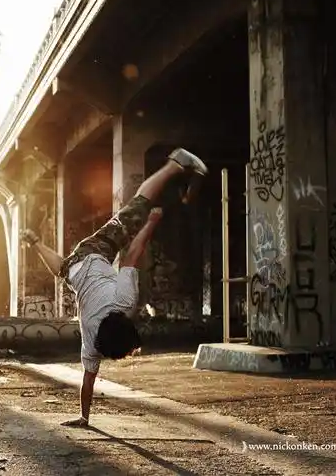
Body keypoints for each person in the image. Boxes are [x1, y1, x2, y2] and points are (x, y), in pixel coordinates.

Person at [20, 148, 208, 427]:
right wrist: (84, 417)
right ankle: (35, 242)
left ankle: (174, 164)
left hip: (95, 251)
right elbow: (87, 382)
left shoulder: (124, 303)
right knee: (63, 271)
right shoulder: (91, 344)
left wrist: (151, 224)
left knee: (138, 207)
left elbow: (131, 255)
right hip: (75, 270)